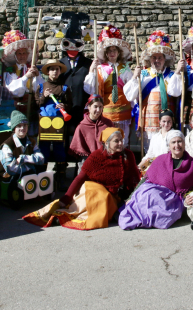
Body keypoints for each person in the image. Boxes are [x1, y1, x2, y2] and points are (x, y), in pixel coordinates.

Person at [25, 128, 140, 230]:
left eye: (121, 140)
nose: (121, 143)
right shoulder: (96, 157)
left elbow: (134, 178)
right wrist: (65, 198)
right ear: (107, 142)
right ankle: (63, 216)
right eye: (116, 141)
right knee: (101, 196)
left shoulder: (128, 155)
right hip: (94, 192)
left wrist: (130, 198)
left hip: (114, 196)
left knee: (107, 200)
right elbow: (79, 178)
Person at [119, 130, 193, 230]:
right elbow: (145, 179)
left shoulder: (192, 164)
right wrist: (131, 197)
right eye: (173, 142)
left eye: (179, 141)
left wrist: (186, 198)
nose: (177, 145)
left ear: (184, 143)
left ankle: (149, 219)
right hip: (155, 192)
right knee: (146, 194)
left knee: (160, 209)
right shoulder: (160, 159)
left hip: (175, 200)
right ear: (169, 145)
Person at [124, 30, 183, 152]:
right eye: (154, 58)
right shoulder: (143, 75)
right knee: (151, 150)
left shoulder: (171, 75)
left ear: (164, 59)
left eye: (159, 58)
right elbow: (130, 96)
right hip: (149, 121)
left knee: (167, 150)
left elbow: (175, 92)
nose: (157, 60)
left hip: (168, 121)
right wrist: (135, 76)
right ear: (150, 60)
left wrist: (178, 72)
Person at [85, 24, 135, 140]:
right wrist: (92, 71)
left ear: (118, 53)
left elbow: (132, 90)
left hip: (123, 109)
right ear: (106, 53)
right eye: (109, 51)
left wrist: (135, 77)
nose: (112, 53)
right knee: (107, 138)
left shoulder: (125, 69)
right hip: (106, 109)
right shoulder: (100, 68)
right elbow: (90, 89)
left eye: (114, 50)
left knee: (123, 138)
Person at [54, 12, 93, 150]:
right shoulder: (59, 64)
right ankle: (62, 164)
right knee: (62, 134)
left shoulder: (88, 63)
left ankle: (80, 161)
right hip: (65, 106)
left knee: (81, 135)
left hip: (82, 105)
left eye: (75, 42)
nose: (72, 47)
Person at [36, 59, 72, 189]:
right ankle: (42, 176)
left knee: (59, 149)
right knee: (43, 149)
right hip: (44, 123)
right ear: (48, 72)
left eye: (57, 69)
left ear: (60, 71)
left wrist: (65, 106)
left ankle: (61, 176)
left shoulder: (65, 88)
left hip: (58, 123)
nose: (54, 72)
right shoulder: (41, 87)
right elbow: (37, 104)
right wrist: (44, 97)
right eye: (52, 69)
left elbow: (70, 105)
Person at [0, 110, 46, 182]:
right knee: (32, 173)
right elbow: (10, 169)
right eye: (19, 126)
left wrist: (24, 158)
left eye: (25, 125)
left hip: (26, 175)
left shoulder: (32, 141)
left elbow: (41, 159)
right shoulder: (7, 145)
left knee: (41, 172)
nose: (23, 128)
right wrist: (31, 165)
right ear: (14, 129)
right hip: (7, 177)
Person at [1, 30, 40, 118]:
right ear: (15, 56)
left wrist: (37, 76)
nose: (22, 56)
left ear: (27, 55)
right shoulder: (10, 71)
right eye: (19, 53)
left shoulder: (32, 68)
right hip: (15, 107)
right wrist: (26, 77)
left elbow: (40, 87)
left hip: (31, 106)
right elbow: (12, 90)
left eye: (24, 53)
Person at [68, 95, 113, 161]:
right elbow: (77, 147)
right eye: (95, 107)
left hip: (105, 158)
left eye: (100, 107)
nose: (98, 110)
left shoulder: (108, 124)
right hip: (87, 160)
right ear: (89, 107)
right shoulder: (82, 126)